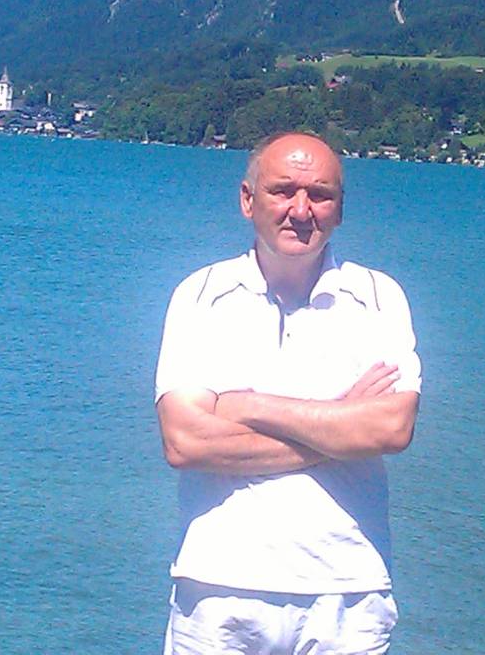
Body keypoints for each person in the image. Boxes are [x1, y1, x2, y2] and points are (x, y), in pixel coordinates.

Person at [154, 131, 422, 654]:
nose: (301, 210)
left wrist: (250, 406)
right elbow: (185, 443)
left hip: (348, 591)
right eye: (283, 191)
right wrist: (340, 424)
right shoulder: (201, 296)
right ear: (248, 200)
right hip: (218, 587)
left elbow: (391, 428)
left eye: (320, 195)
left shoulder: (379, 298)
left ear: (340, 209)